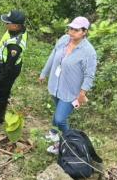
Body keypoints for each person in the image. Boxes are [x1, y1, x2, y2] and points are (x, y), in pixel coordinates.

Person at [38, 16, 97, 155]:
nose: (71, 32)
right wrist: (44, 73)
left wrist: (83, 93)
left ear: (84, 32)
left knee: (60, 118)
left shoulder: (88, 51)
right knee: (57, 109)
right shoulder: (64, 40)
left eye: (76, 30)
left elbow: (89, 74)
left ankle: (66, 143)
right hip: (56, 85)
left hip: (71, 91)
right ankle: (53, 132)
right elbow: (53, 55)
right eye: (71, 28)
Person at [0, 10, 28, 125]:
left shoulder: (15, 46)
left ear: (16, 26)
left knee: (1, 93)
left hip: (8, 69)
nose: (6, 25)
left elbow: (9, 67)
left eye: (8, 23)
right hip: (5, 65)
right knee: (1, 91)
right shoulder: (16, 30)